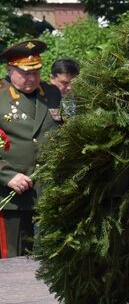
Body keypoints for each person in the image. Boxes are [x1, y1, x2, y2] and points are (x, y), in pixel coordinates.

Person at [0, 39, 64, 257]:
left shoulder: (52, 94)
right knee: (13, 262)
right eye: (25, 72)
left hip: (50, 191)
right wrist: (6, 175)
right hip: (13, 195)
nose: (32, 78)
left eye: (36, 72)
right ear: (9, 69)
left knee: (53, 260)